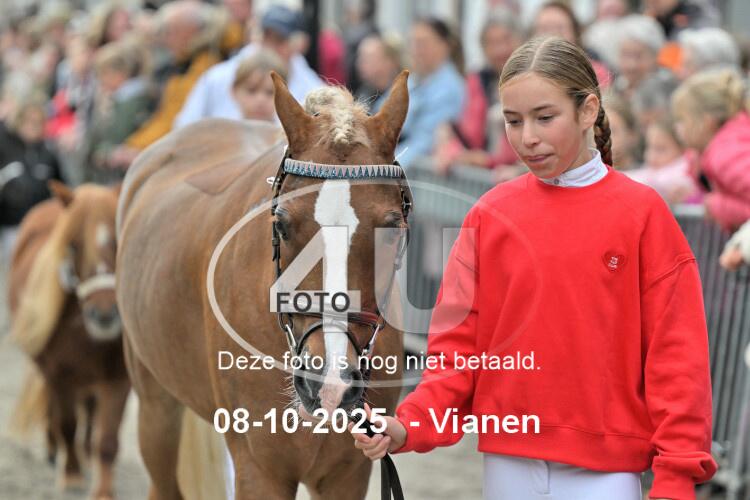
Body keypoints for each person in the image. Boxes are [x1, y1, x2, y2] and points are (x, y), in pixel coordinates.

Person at [350, 36, 717, 500]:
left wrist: (677, 476)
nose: (527, 137)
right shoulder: (490, 214)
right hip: (508, 466)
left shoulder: (643, 214)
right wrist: (408, 425)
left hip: (607, 475)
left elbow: (677, 359)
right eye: (513, 120)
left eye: (545, 117)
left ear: (587, 110)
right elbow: (457, 352)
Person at [174, 5, 324, 128]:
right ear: (234, 91)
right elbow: (185, 127)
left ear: (299, 45)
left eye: (280, 40)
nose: (270, 45)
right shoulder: (216, 77)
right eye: (266, 36)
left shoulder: (315, 90)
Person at [671, 69, 750, 232]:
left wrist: (716, 205)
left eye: (682, 120)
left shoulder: (726, 154)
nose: (677, 128)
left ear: (706, 122)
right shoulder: (715, 151)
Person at [394, 17, 465, 167]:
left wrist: (385, 166)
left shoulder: (450, 88)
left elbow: (426, 141)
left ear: (444, 46)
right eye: (413, 43)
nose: (415, 50)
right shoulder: (413, 80)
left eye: (422, 43)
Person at [85, 38, 154, 184]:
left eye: (103, 74)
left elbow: (117, 138)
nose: (101, 81)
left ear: (119, 73)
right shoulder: (122, 99)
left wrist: (106, 152)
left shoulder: (132, 101)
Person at [626, 117, 700, 204]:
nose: (651, 156)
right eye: (649, 147)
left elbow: (655, 183)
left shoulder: (683, 173)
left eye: (661, 149)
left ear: (682, 150)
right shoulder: (653, 170)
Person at [231, 49, 286, 121]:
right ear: (234, 91)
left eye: (270, 92)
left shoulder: (292, 129)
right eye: (251, 90)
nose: (260, 100)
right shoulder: (222, 127)